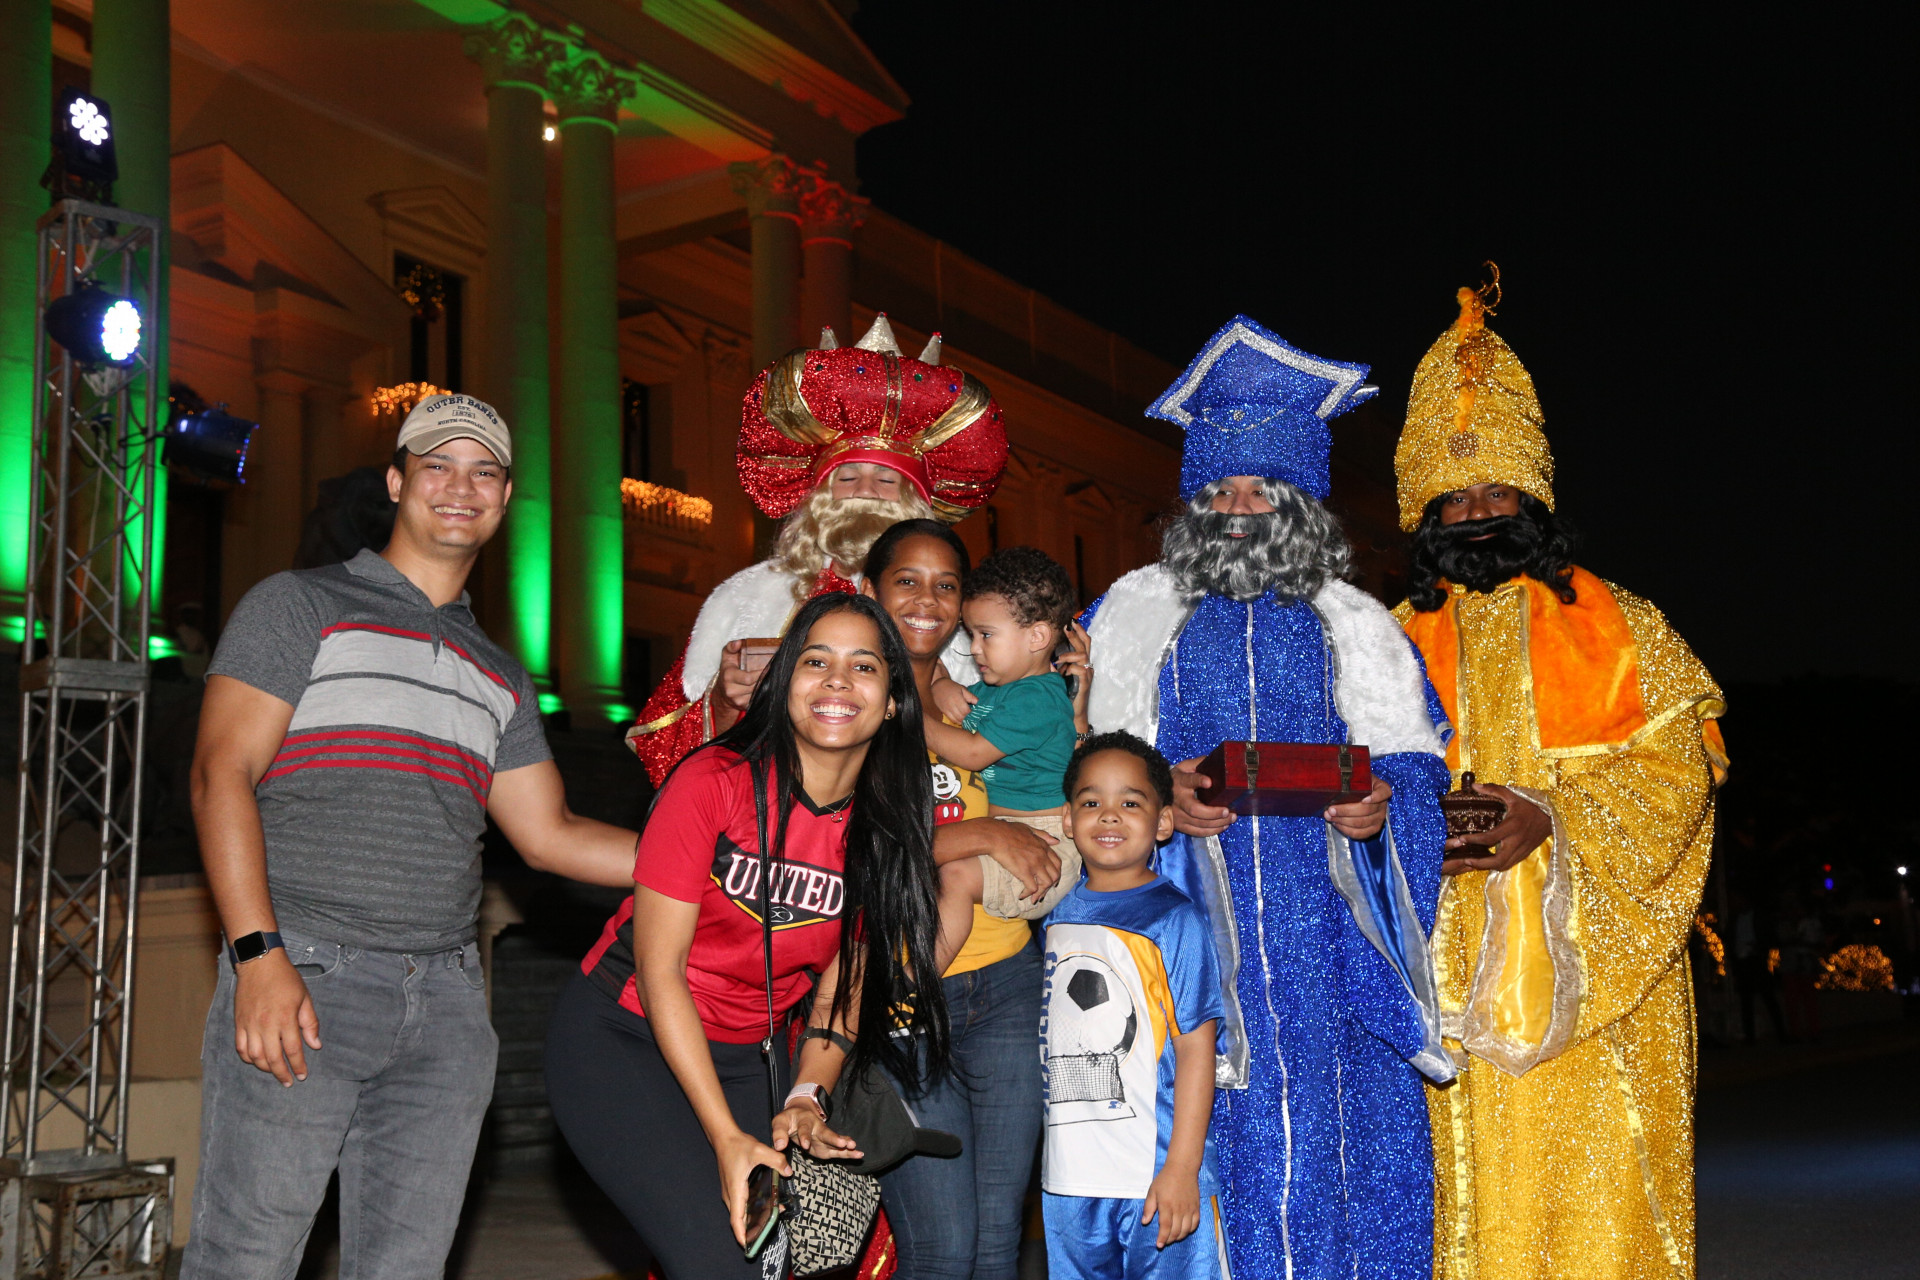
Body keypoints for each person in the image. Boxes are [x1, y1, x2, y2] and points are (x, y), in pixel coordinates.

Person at [182, 394, 645, 1280]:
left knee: (405, 1269)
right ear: (397, 482)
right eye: (438, 466)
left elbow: (550, 834)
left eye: (484, 472)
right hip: (306, 972)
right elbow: (219, 774)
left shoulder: (499, 672)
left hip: (446, 1004)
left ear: (503, 500)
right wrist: (258, 956)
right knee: (247, 1259)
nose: (460, 488)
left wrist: (720, 861)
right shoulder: (300, 604)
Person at [1081, 316, 1455, 1280]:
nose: (1240, 507)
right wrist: (1160, 795)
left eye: (1263, 488)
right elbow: (1082, 765)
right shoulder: (1130, 614)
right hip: (1181, 931)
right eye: (1220, 489)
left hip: (1324, 941)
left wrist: (1380, 812)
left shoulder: (1358, 623)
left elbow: (1418, 771)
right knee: (1195, 1144)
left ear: (1302, 502)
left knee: (1342, 1145)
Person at [1392, 280, 1728, 1279]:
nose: (1477, 514)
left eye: (1497, 493)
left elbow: (1679, 777)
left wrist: (1550, 817)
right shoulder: (1382, 644)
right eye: (1455, 498)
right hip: (1441, 979)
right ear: (1426, 513)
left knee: (1601, 1205)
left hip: (1599, 982)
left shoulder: (1622, 623)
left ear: (1533, 499)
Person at [548, 592, 949, 1279]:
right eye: (816, 661)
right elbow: (659, 969)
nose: (836, 681)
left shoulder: (886, 826)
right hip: (624, 1036)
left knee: (770, 1265)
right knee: (718, 1260)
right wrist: (726, 1136)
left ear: (891, 703)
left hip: (748, 1056)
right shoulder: (712, 781)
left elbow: (843, 987)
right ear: (785, 682)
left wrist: (806, 1095)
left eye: (863, 667)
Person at [627, 315, 1010, 784]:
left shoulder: (955, 619)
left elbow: (1011, 756)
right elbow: (664, 750)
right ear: (819, 496)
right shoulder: (747, 598)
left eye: (887, 480)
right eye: (847, 477)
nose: (865, 491)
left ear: (915, 503)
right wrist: (724, 703)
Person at [859, 520, 1060, 1280]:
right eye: (906, 580)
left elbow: (1050, 782)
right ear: (870, 589)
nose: (928, 599)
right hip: (907, 991)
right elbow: (840, 849)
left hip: (1009, 983)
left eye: (946, 584)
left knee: (998, 1240)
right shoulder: (844, 698)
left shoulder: (978, 696)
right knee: (943, 1251)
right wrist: (980, 835)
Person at [1041, 732, 1225, 1280]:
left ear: (1163, 822)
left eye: (1130, 802)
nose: (1109, 815)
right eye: (1091, 802)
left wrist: (1183, 1169)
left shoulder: (1174, 920)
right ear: (1068, 819)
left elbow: (1196, 1050)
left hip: (1154, 1174)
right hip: (1070, 1179)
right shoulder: (1054, 915)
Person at [923, 545, 1086, 966]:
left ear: (1037, 638)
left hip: (1045, 843)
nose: (975, 649)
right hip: (1008, 832)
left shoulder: (1039, 698)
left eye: (986, 635)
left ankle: (917, 982)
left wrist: (913, 718)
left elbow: (973, 753)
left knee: (953, 877)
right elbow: (954, 702)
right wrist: (941, 686)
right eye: (971, 635)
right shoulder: (998, 690)